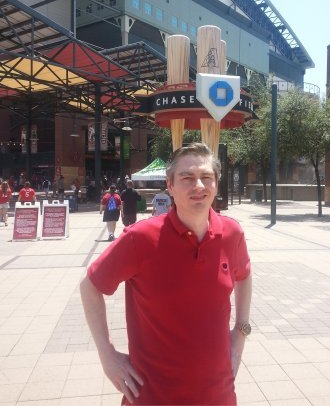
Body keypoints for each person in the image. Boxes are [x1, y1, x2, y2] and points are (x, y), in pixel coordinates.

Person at [80, 143, 252, 405]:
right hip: (152, 395)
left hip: (218, 394)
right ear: (170, 187)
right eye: (187, 178)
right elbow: (90, 286)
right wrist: (107, 355)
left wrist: (240, 333)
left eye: (207, 178)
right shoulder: (141, 238)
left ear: (216, 184)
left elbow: (244, 274)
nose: (199, 186)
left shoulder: (232, 233)